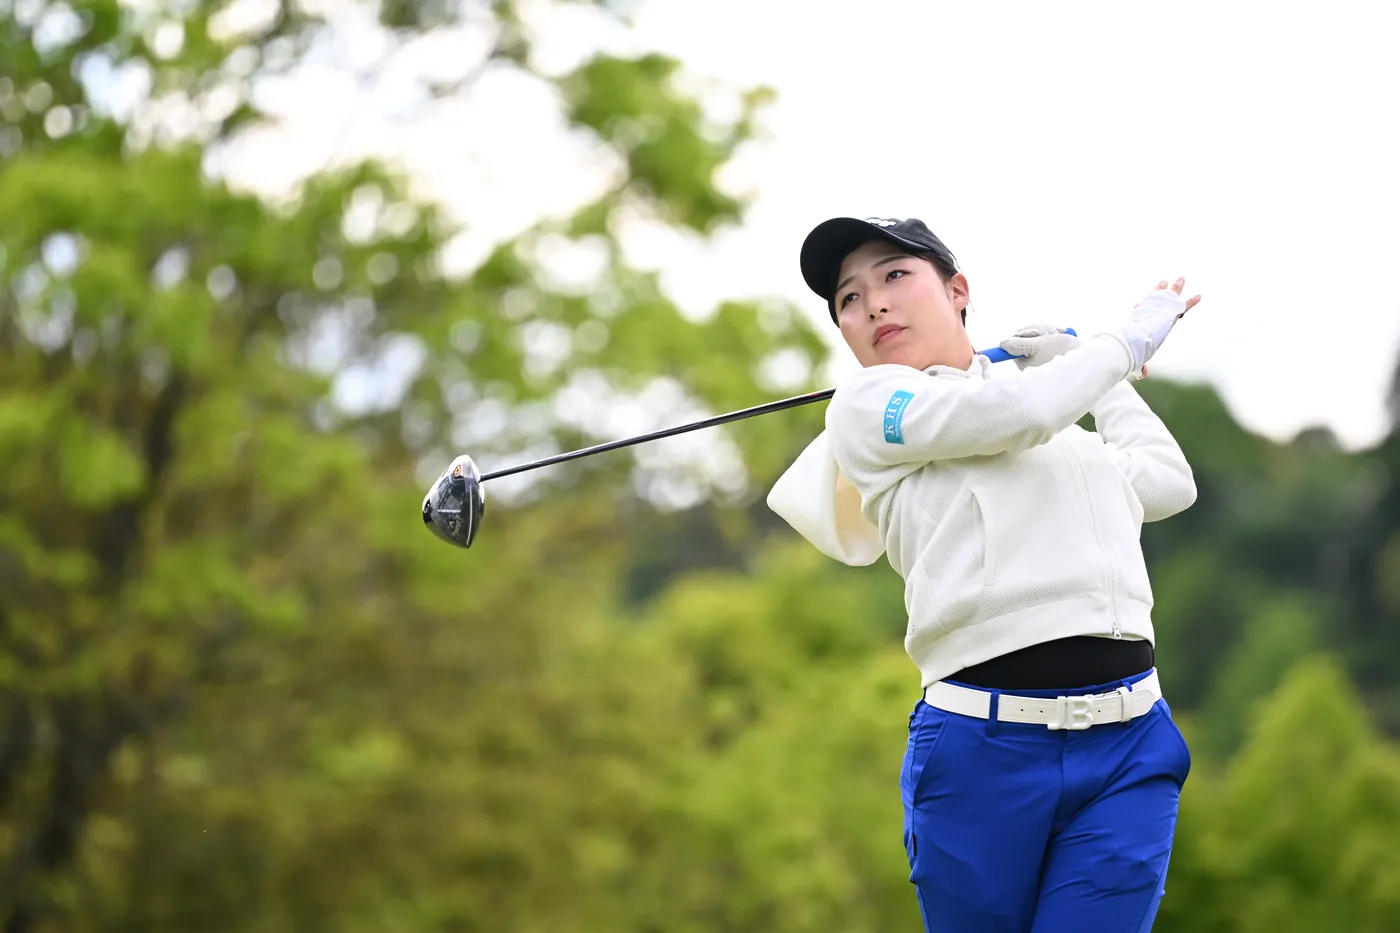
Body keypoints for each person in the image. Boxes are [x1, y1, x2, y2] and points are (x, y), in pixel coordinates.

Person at [766, 216, 1202, 933]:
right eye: (849, 297)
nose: (873, 303)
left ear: (957, 291)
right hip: (980, 754)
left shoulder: (1053, 423)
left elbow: (1167, 481)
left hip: (1129, 746)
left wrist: (1097, 379)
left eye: (894, 275)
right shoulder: (869, 408)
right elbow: (1016, 413)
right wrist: (1118, 346)